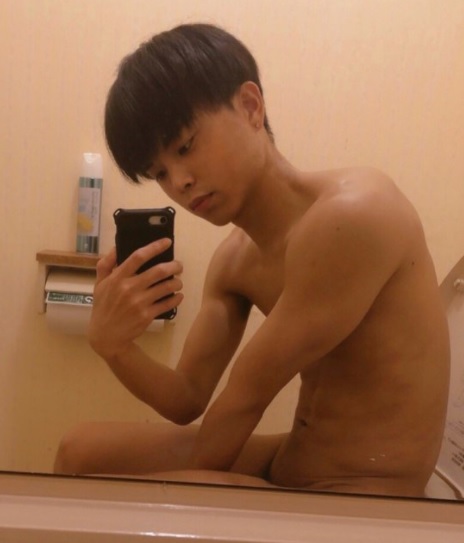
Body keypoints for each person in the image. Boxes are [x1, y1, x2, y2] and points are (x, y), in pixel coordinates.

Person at [54, 23, 450, 497]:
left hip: (366, 488)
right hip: (298, 457)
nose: (179, 182)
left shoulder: (354, 214)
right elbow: (186, 398)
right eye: (159, 173)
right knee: (79, 452)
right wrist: (112, 346)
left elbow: (243, 402)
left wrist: (171, 493)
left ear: (250, 107)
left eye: (186, 147)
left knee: (132, 502)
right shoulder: (235, 261)